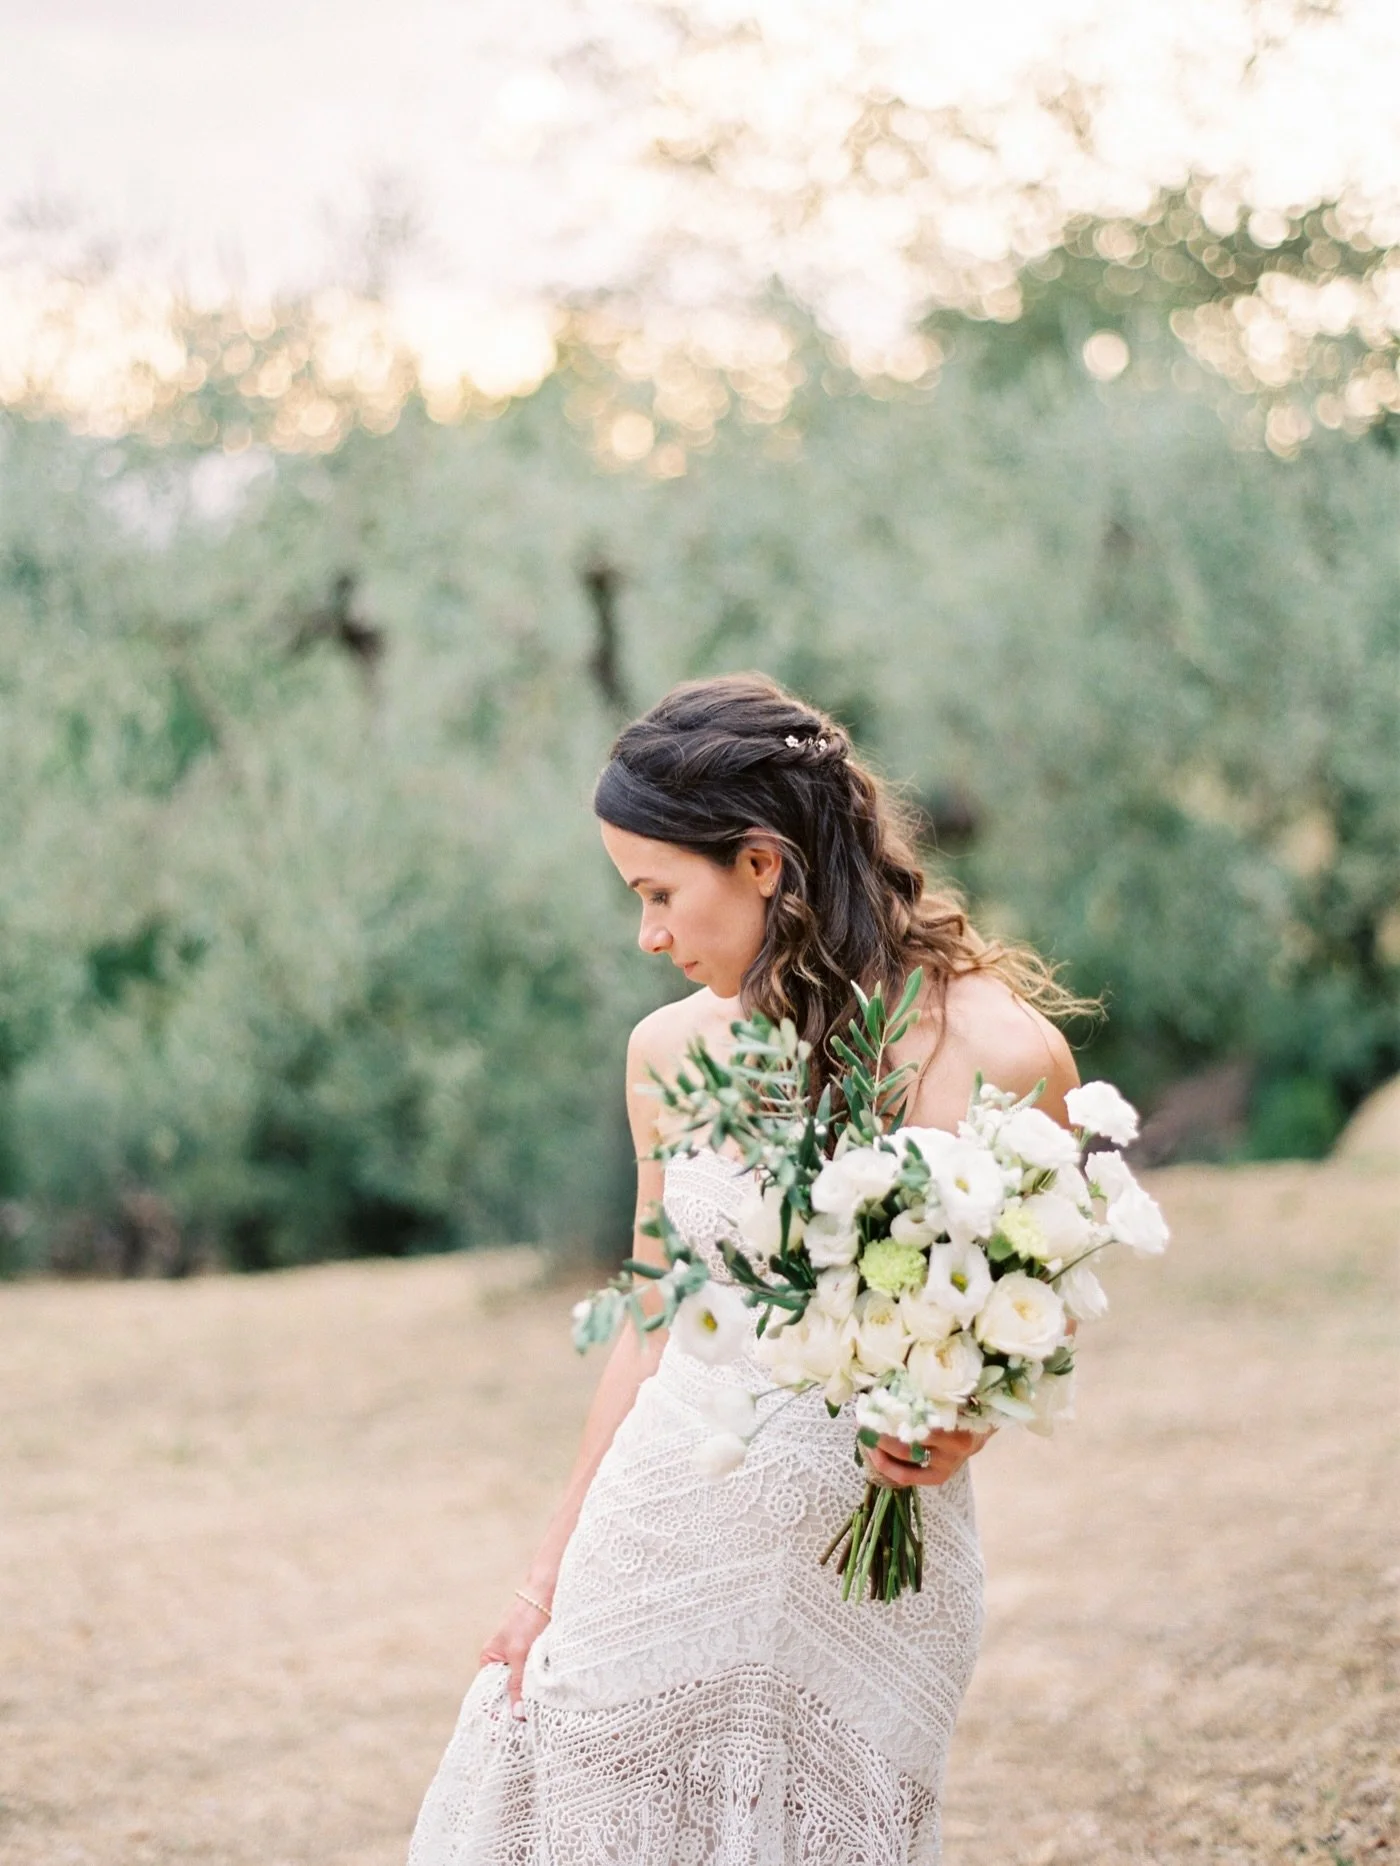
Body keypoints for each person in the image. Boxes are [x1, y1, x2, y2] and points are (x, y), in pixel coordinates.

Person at [408, 672, 1084, 1866]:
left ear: (762, 863)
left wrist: (965, 1421)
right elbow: (652, 1322)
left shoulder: (1000, 1054)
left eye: (660, 891)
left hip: (875, 1578)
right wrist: (542, 1578)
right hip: (660, 1542)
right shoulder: (666, 1053)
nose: (648, 934)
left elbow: (1037, 1311)